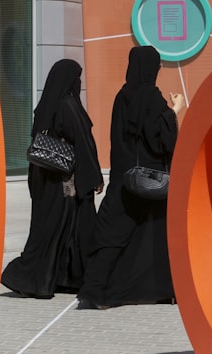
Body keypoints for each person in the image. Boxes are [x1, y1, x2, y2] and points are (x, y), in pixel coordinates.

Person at [78, 46, 185, 309]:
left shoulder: (121, 97)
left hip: (125, 180)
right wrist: (176, 110)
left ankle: (96, 291)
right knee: (154, 236)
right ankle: (159, 289)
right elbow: (164, 139)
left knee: (110, 235)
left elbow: (119, 137)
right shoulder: (153, 98)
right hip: (153, 181)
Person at [2, 59, 104, 298]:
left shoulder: (46, 106)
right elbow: (82, 144)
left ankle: (62, 278)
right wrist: (94, 177)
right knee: (58, 231)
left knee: (58, 230)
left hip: (46, 180)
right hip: (64, 184)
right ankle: (28, 278)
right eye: (77, 79)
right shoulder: (69, 105)